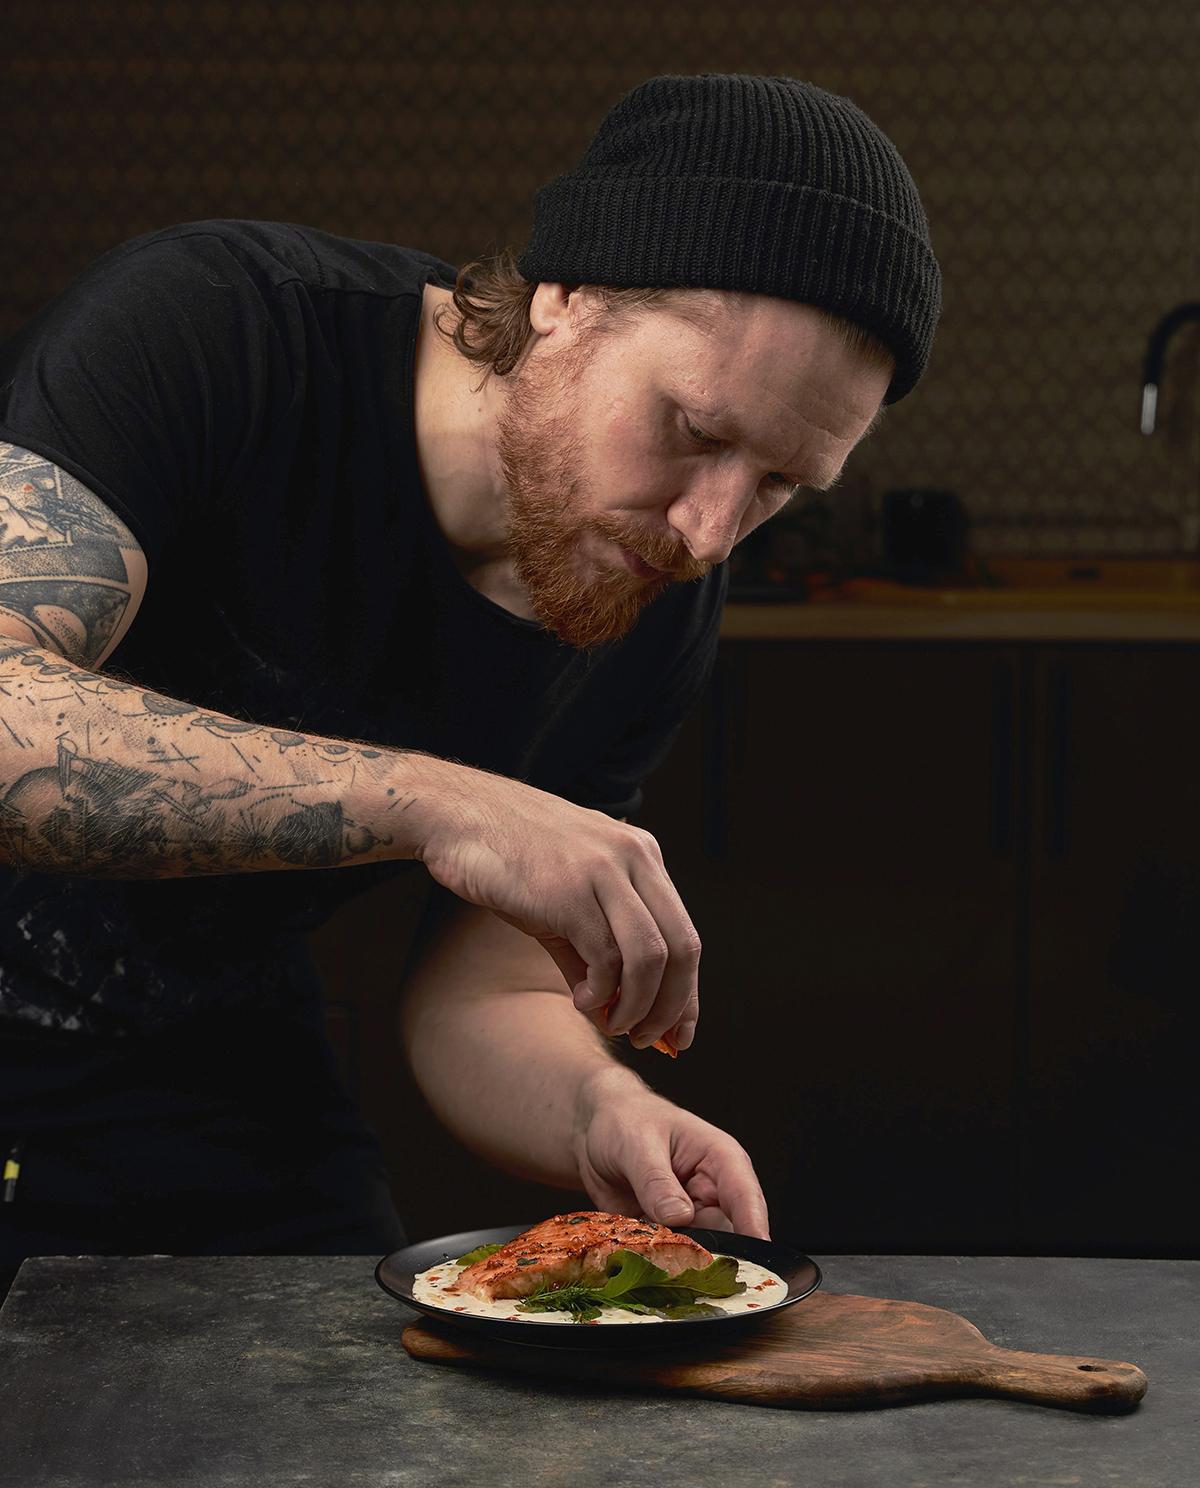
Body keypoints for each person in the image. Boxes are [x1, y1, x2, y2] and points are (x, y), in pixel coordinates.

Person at [0, 73, 940, 1297]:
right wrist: (446, 804)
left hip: (204, 1055)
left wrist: (599, 1106)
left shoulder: (651, 588)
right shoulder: (217, 326)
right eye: (698, 432)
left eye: (777, 486)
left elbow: (484, 989)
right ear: (567, 296)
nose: (710, 534)